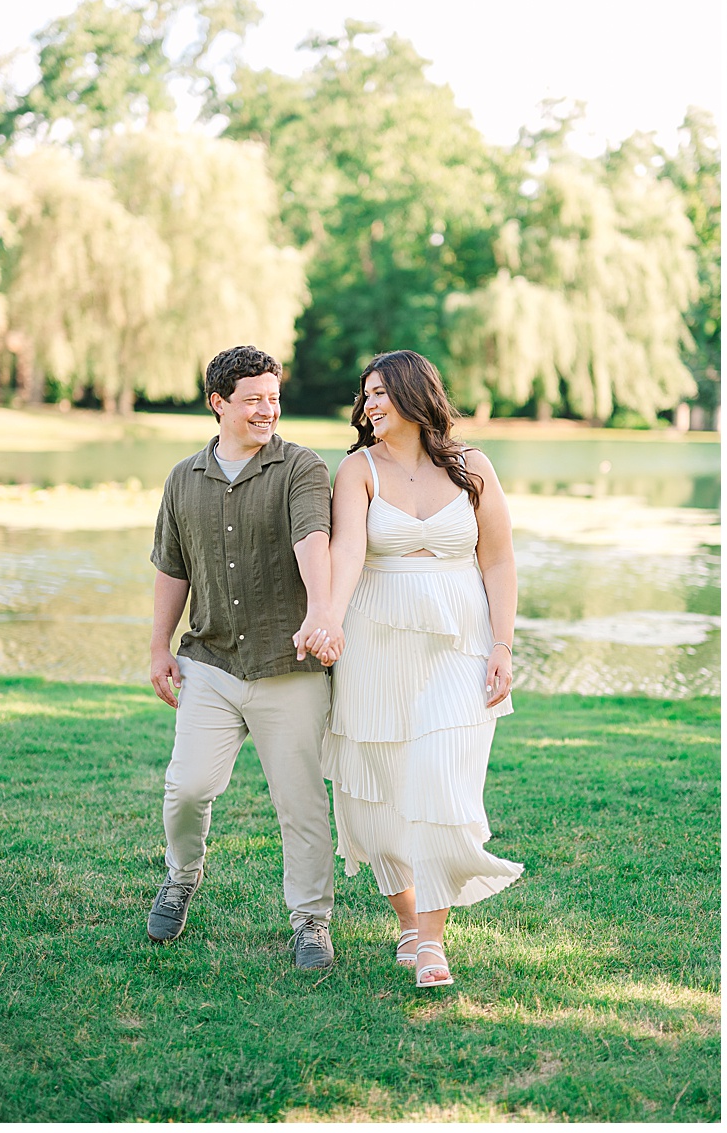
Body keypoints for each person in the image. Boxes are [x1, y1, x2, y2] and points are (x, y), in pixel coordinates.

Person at [302, 349, 522, 989]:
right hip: (376, 641)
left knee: (440, 783)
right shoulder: (357, 470)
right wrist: (332, 621)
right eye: (364, 395)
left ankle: (431, 943)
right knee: (377, 793)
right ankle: (406, 918)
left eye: (379, 393)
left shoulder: (472, 467)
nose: (368, 405)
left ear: (413, 395)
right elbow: (346, 552)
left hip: (459, 643)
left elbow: (500, 561)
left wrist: (502, 647)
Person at [146, 345, 337, 969]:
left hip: (290, 667)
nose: (267, 409)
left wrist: (320, 608)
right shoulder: (183, 479)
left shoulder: (301, 468)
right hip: (211, 664)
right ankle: (181, 875)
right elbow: (174, 570)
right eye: (253, 399)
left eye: (273, 396)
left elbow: (313, 539)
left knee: (300, 803)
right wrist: (157, 648)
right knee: (187, 787)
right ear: (218, 404)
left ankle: (310, 922)